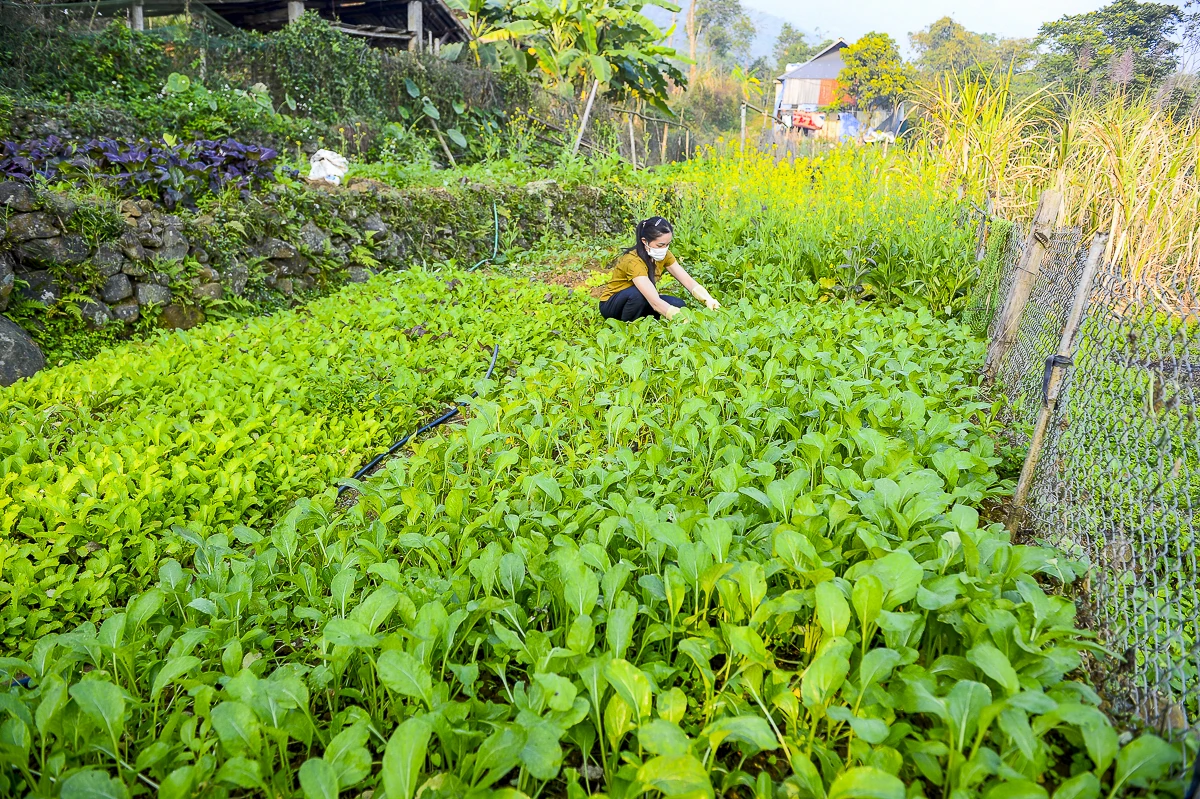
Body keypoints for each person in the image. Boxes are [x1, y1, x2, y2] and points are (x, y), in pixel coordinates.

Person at [598, 217, 721, 322]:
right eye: (660, 245)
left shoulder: (664, 255)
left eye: (668, 244)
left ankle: (646, 324)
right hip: (612, 305)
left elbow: (686, 280)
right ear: (644, 241)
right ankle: (628, 328)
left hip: (642, 299)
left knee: (679, 305)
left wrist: (707, 299)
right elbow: (655, 301)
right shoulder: (633, 261)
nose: (664, 249)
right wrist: (680, 318)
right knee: (639, 295)